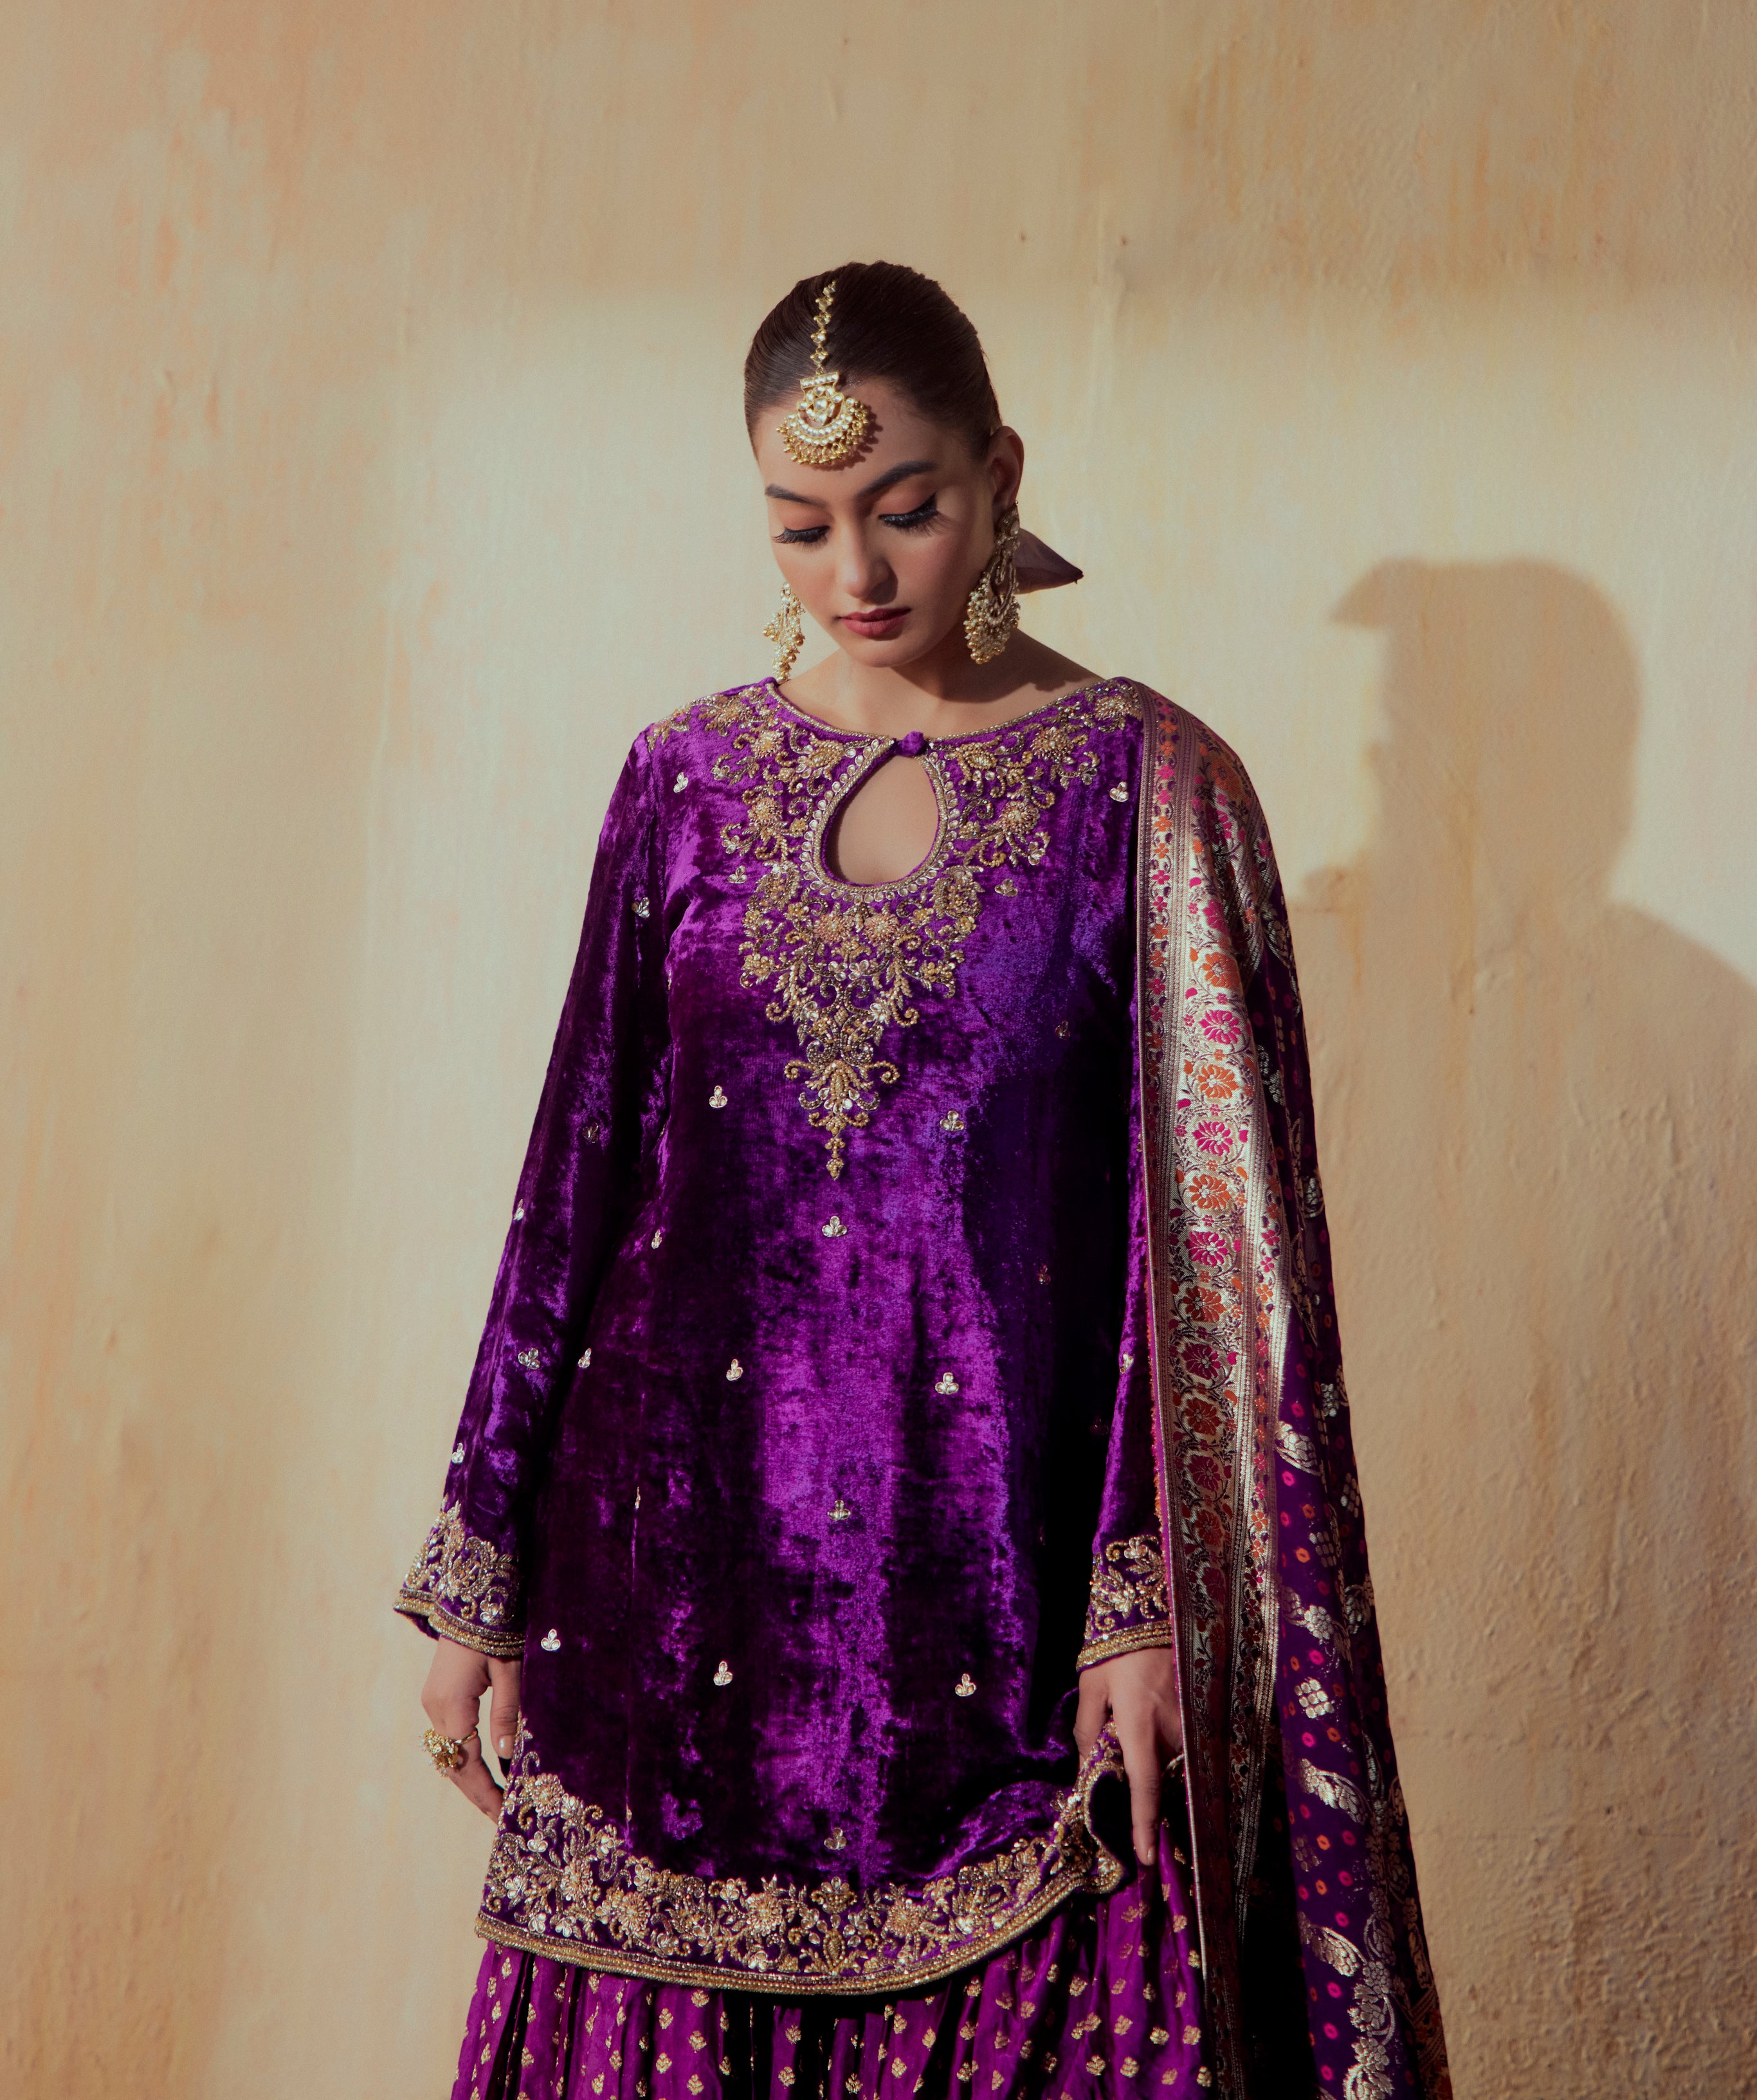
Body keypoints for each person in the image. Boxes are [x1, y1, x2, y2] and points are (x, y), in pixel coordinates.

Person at [397, 262, 1451, 2100]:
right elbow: (573, 1179)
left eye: (907, 509)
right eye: (801, 524)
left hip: (1015, 1606)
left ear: (1000, 475)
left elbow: (1204, 1264)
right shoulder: (680, 782)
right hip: (672, 1593)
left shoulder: (1146, 790)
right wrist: (482, 1568)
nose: (857, 572)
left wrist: (1142, 1599)